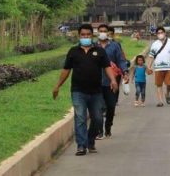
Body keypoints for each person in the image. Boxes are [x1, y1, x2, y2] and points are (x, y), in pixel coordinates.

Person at [52, 24, 118, 156]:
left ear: (92, 36)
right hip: (78, 91)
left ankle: (90, 140)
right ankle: (81, 146)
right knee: (80, 117)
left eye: (88, 35)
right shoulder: (73, 51)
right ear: (79, 36)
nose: (86, 37)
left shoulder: (99, 51)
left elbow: (107, 67)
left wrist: (113, 80)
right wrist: (58, 85)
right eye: (83, 35)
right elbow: (66, 70)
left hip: (96, 92)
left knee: (98, 119)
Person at [96, 24, 128, 139]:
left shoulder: (114, 46)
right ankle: (99, 130)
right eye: (101, 31)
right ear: (97, 32)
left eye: (105, 31)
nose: (103, 33)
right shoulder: (93, 46)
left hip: (111, 82)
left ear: (108, 33)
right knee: (98, 107)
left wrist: (125, 72)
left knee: (110, 106)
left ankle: (108, 126)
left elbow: (121, 60)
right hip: (96, 82)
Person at [146, 26, 170, 107]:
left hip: (169, 67)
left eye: (161, 32)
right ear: (156, 34)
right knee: (159, 85)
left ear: (165, 33)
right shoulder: (154, 44)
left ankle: (167, 93)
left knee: (169, 84)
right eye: (158, 33)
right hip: (158, 68)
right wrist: (148, 67)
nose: (160, 34)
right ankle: (160, 101)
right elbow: (151, 56)